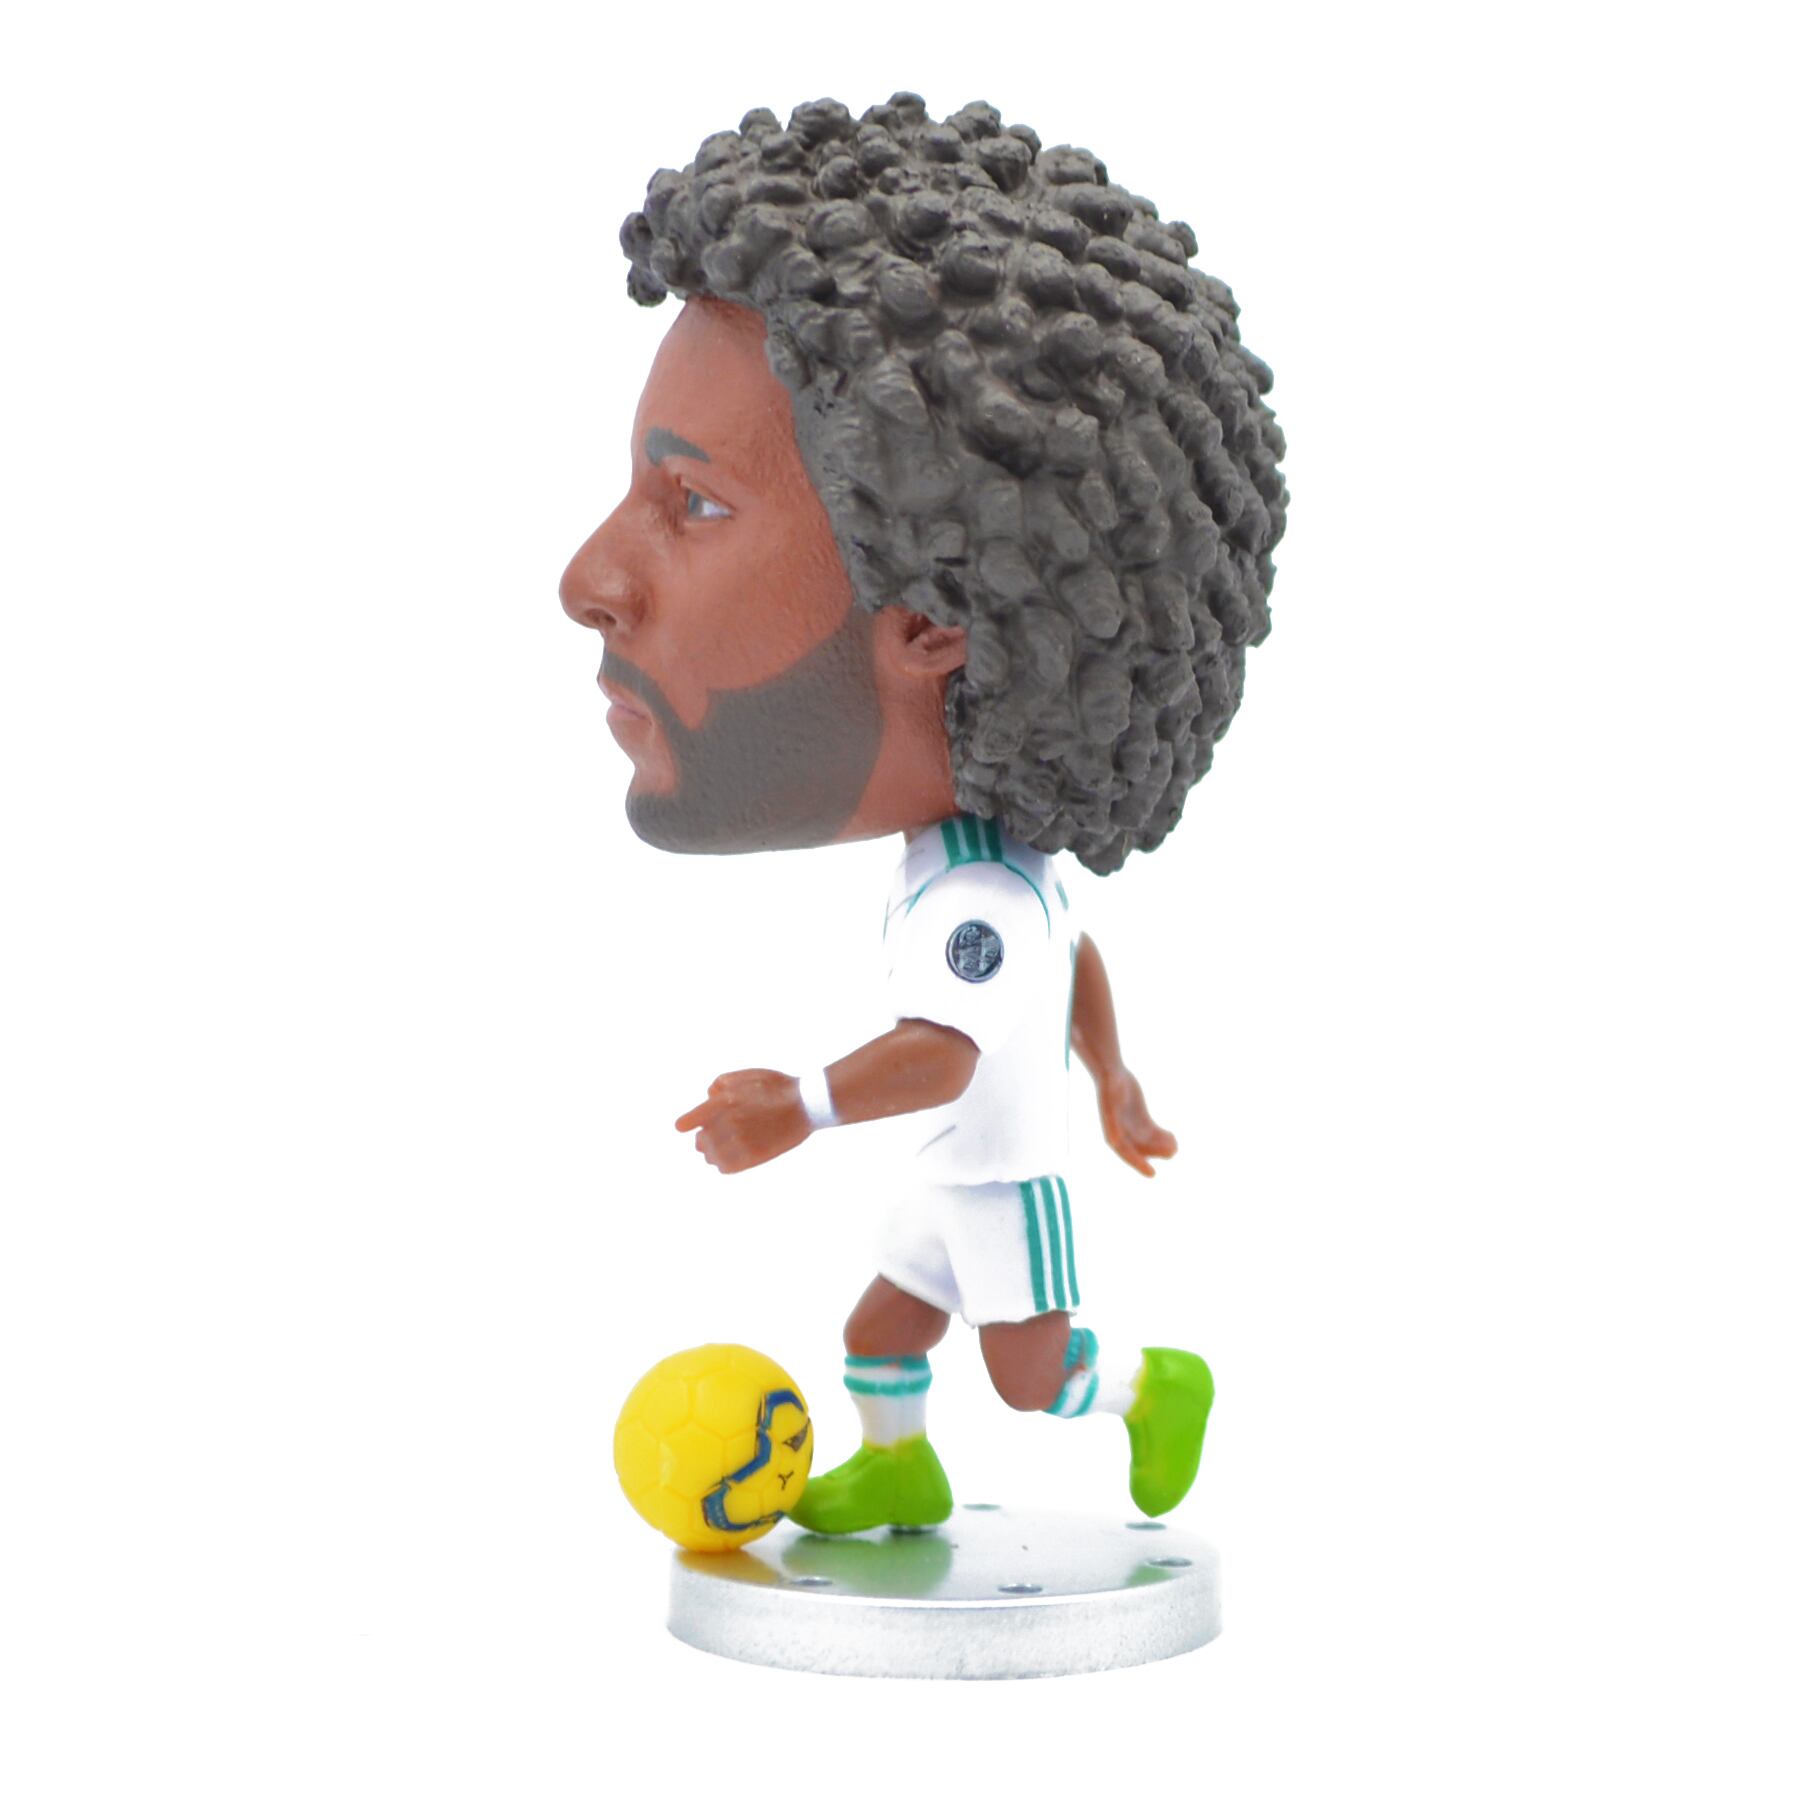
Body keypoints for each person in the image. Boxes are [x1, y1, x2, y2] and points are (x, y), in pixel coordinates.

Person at [560, 92, 1286, 1532]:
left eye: (694, 504)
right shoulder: (975, 874)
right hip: (949, 1174)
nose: (587, 579)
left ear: (933, 630)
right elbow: (1064, 960)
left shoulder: (972, 900)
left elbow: (944, 1050)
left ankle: (1155, 1388)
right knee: (880, 1331)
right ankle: (898, 1461)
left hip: (1005, 1185)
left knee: (1029, 1376)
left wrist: (800, 1106)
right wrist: (1115, 1075)